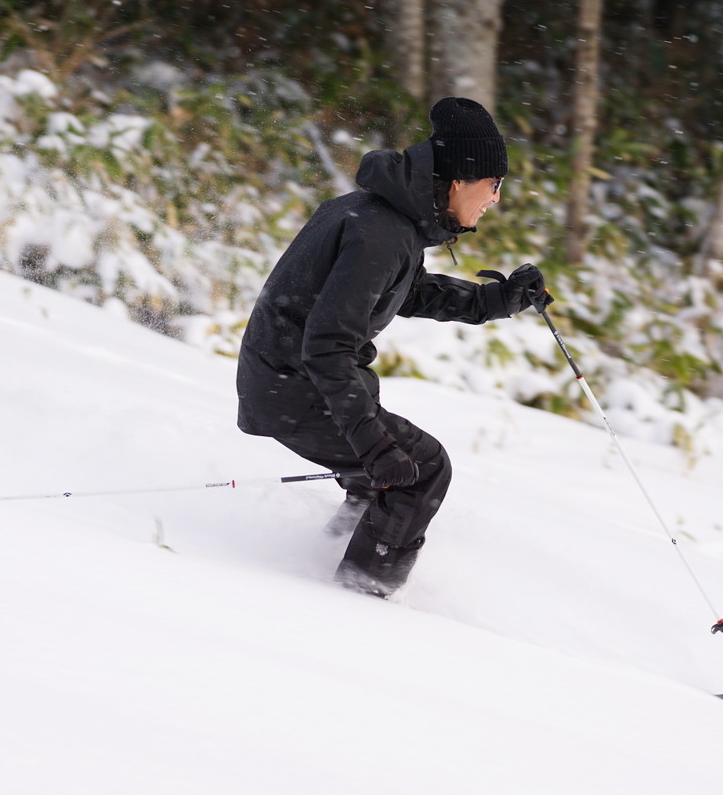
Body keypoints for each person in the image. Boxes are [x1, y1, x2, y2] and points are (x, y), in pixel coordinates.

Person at [235, 97, 550, 598]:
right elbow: (328, 345)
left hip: (286, 380)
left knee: (381, 477)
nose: (496, 199)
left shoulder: (379, 219)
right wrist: (374, 442)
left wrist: (495, 300)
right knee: (421, 470)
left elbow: (408, 290)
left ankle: (319, 570)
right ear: (457, 181)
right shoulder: (381, 233)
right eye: (494, 185)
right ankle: (361, 598)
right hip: (296, 386)